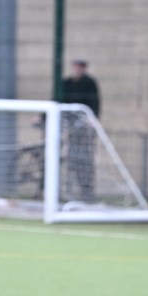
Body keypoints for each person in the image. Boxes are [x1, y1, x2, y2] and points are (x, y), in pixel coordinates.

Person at [60, 59, 101, 201]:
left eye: (81, 67)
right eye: (76, 67)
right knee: (69, 159)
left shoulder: (90, 83)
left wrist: (92, 118)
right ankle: (68, 191)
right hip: (70, 128)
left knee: (84, 159)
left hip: (84, 129)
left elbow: (95, 102)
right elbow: (57, 100)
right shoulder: (66, 83)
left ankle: (86, 190)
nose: (78, 70)